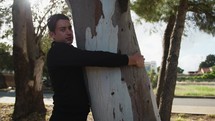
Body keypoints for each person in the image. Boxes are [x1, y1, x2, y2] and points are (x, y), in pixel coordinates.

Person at [47, 14, 145, 121]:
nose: (69, 32)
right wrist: (130, 60)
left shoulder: (66, 52)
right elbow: (95, 58)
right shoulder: (58, 52)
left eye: (70, 28)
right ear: (52, 34)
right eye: (63, 29)